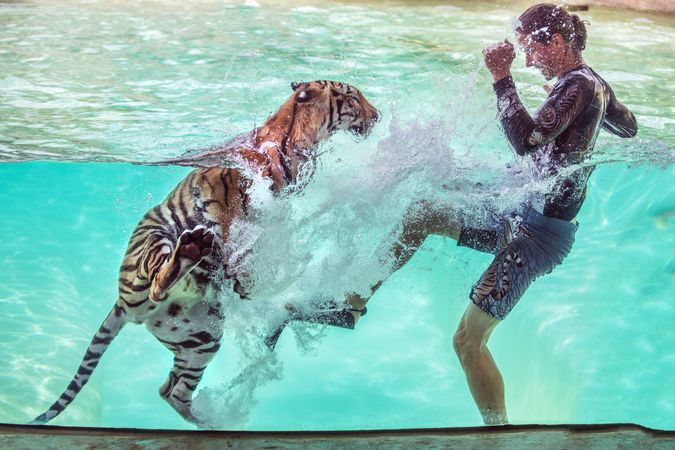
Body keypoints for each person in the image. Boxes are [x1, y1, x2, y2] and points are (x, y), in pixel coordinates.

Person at [265, 3, 638, 425]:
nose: (528, 60)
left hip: (536, 238)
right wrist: (585, 135)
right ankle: (352, 304)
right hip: (516, 214)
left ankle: (499, 433)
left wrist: (502, 79)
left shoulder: (579, 86)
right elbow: (630, 128)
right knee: (423, 210)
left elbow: (529, 140)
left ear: (554, 41)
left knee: (467, 341)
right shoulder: (591, 86)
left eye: (530, 50)